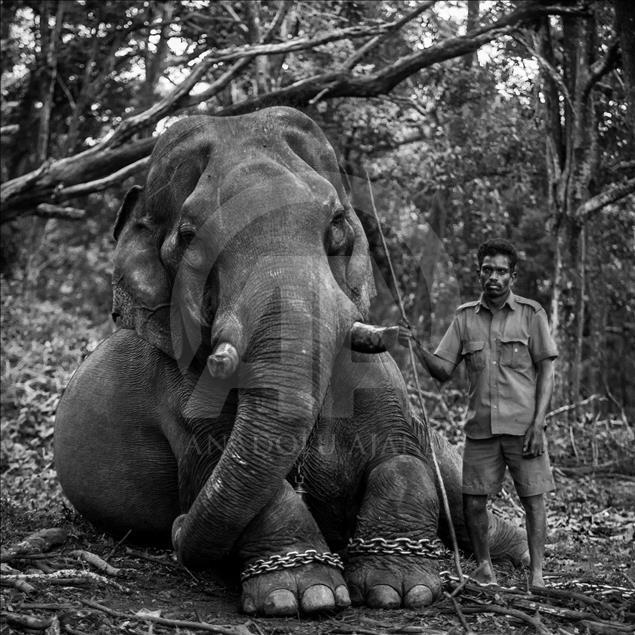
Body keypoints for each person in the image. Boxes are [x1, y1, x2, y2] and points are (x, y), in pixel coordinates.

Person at [399, 238, 557, 588]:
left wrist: (538, 424)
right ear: (478, 273)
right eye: (488, 270)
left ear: (513, 276)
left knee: (533, 499)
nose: (494, 277)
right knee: (472, 503)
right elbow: (442, 370)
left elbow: (547, 370)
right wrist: (416, 345)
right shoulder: (464, 319)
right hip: (481, 429)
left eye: (501, 271)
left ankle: (537, 574)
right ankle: (485, 567)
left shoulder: (532, 315)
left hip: (524, 429)